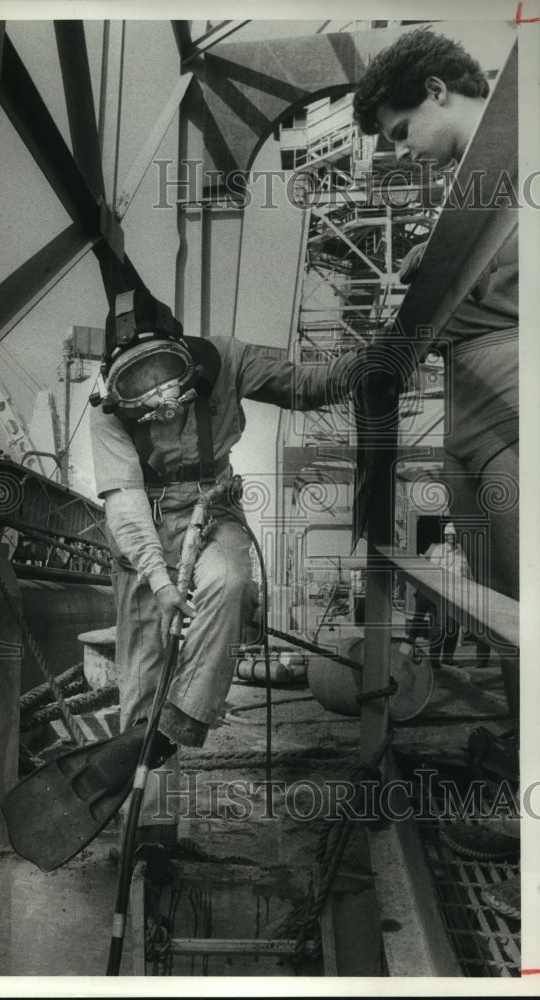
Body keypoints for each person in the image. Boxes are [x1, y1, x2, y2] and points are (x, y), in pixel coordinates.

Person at [89, 286, 364, 841]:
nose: (157, 395)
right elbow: (125, 502)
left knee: (231, 582)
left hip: (213, 509)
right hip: (145, 528)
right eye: (137, 386)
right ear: (116, 381)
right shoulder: (105, 414)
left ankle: (179, 724)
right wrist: (162, 581)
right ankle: (150, 832)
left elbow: (302, 385)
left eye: (164, 373)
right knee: (143, 678)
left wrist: (365, 369)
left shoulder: (227, 358)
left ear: (181, 351)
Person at [353, 28, 519, 711]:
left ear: (435, 91)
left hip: (512, 387)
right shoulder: (464, 196)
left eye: (398, 132)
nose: (399, 151)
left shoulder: (521, 148)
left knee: (527, 592)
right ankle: (523, 746)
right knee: (493, 599)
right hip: (465, 402)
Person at [409, 521, 472, 668]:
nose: (451, 537)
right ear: (445, 536)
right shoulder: (438, 551)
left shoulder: (462, 552)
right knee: (439, 627)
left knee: (453, 628)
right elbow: (432, 572)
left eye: (454, 535)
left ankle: (447, 658)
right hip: (441, 593)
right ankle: (433, 660)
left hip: (456, 595)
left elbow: (468, 574)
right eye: (449, 535)